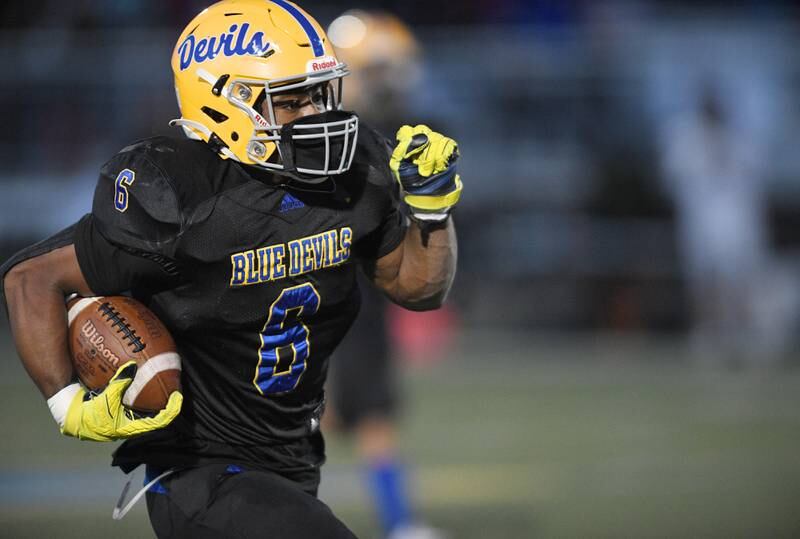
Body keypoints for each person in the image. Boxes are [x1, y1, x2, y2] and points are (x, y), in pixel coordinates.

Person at [0, 1, 463, 538]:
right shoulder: (184, 201)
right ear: (225, 103)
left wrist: (432, 209)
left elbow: (418, 288)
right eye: (291, 102)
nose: (316, 116)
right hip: (200, 472)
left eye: (319, 95)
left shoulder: (352, 176)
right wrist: (67, 404)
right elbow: (29, 278)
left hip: (292, 463)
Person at [325, 11, 447, 539]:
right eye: (377, 73)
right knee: (313, 414)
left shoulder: (387, 136)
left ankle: (399, 521)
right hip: (322, 289)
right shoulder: (325, 141)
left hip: (359, 294)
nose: (390, 87)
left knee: (363, 412)